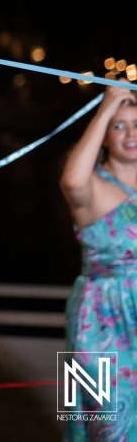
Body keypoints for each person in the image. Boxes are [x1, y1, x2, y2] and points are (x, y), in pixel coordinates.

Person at [60, 85, 137, 441]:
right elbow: (71, 180)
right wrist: (106, 106)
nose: (131, 133)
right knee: (104, 426)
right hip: (98, 318)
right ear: (104, 135)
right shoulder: (90, 185)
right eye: (119, 126)